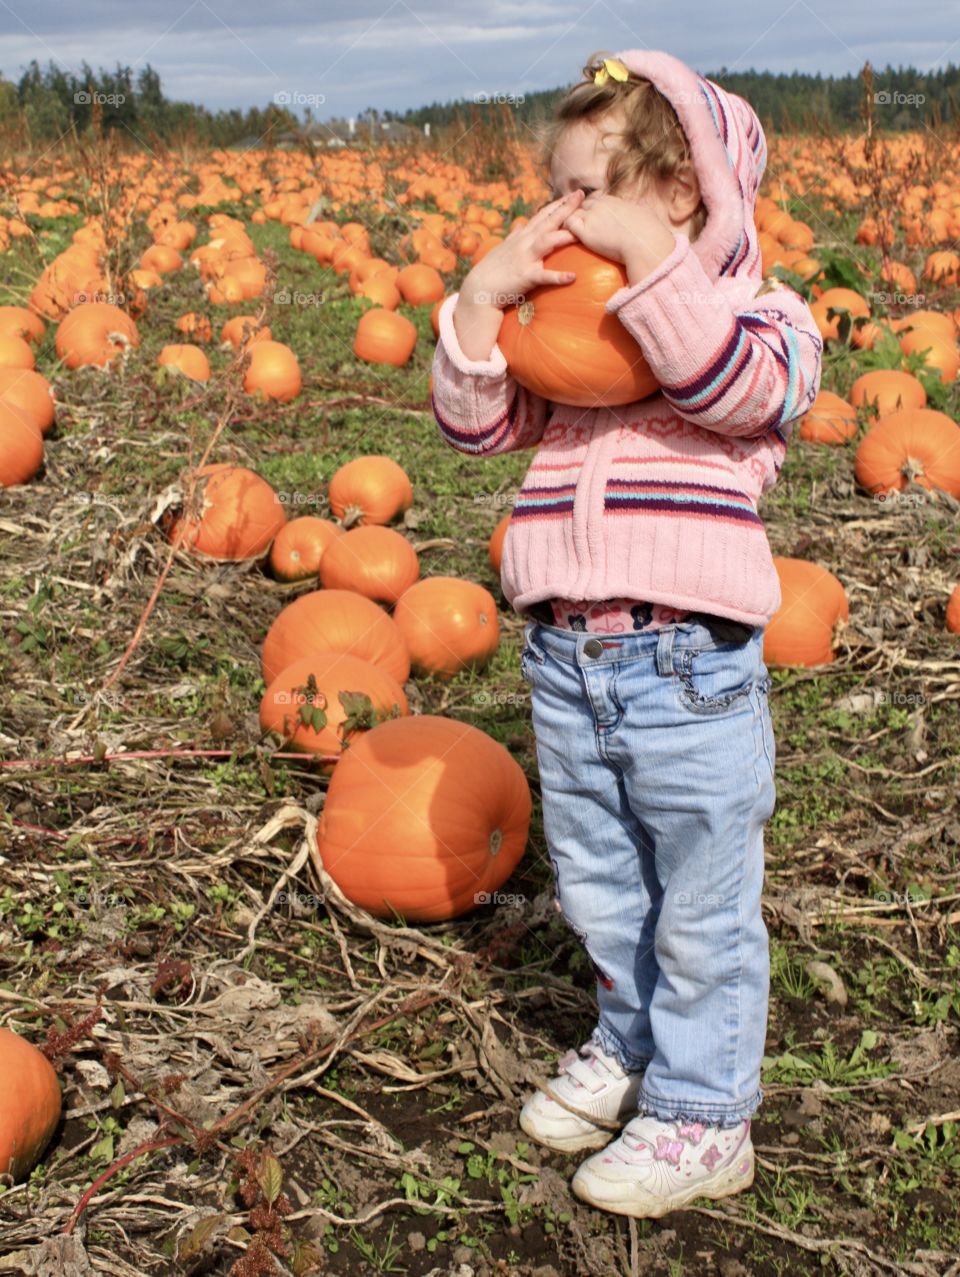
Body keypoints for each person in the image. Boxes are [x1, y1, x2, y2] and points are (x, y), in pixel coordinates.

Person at [430, 47, 822, 1218]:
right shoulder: (566, 347)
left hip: (688, 668)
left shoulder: (763, 319)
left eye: (586, 195)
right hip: (565, 663)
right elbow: (474, 429)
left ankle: (706, 1112)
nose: (564, 221)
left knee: (700, 899)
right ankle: (633, 1041)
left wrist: (653, 268)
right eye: (556, 194)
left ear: (685, 194)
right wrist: (482, 301)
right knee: (602, 885)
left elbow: (732, 388)